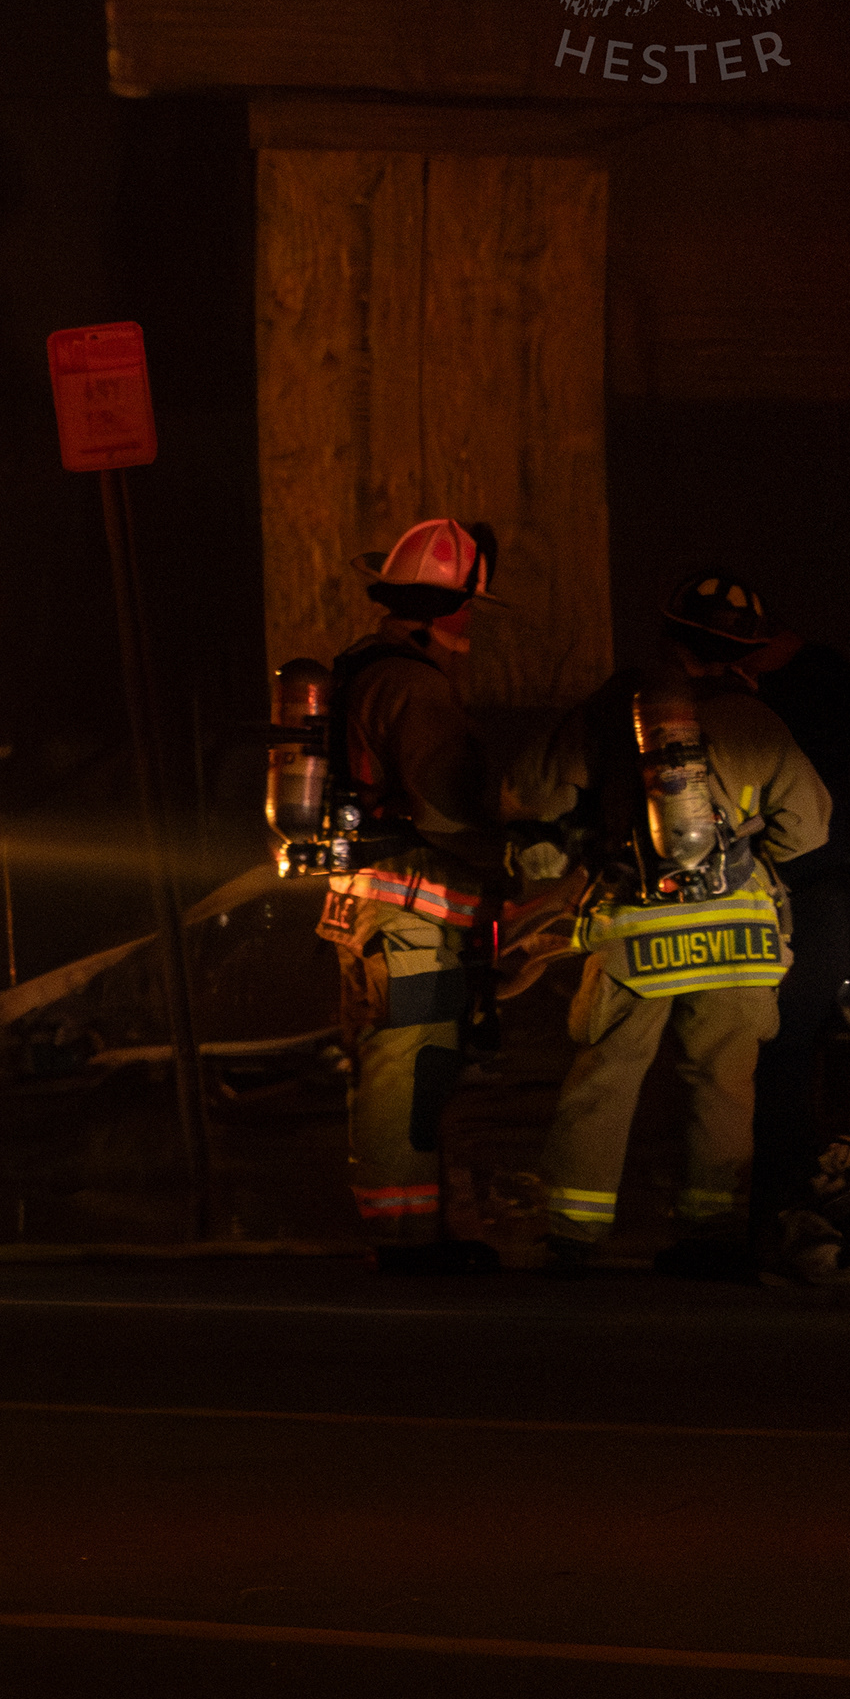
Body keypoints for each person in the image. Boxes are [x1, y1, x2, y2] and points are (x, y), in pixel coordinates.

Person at [507, 573, 833, 1278]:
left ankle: (572, 1232)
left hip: (639, 929)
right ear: (744, 653)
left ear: (667, 639)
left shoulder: (613, 709)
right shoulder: (758, 721)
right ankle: (709, 1233)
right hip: (740, 938)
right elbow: (807, 832)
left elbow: (534, 797)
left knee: (608, 1075)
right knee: (721, 1082)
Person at [313, 519, 507, 1274]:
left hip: (363, 903)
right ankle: (403, 1240)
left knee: (386, 1061)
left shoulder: (363, 665)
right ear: (452, 607)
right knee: (410, 1062)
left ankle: (409, 1228)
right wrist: (512, 860)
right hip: (409, 911)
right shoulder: (416, 685)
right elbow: (448, 807)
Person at [746, 609, 850, 1277]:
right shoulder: (833, 704)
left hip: (812, 901)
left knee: (782, 1056)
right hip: (833, 899)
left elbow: (803, 832)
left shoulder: (787, 714)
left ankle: (786, 1211)